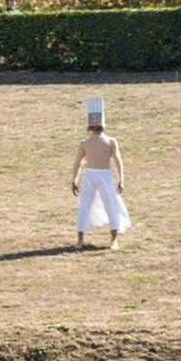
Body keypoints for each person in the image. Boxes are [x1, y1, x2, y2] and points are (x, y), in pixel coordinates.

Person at [70, 97, 131, 249]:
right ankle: (80, 239)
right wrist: (74, 179)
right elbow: (78, 162)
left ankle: (113, 239)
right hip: (90, 174)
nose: (96, 128)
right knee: (85, 205)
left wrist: (121, 179)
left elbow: (118, 161)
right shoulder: (85, 143)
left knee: (111, 203)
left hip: (104, 174)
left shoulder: (110, 141)